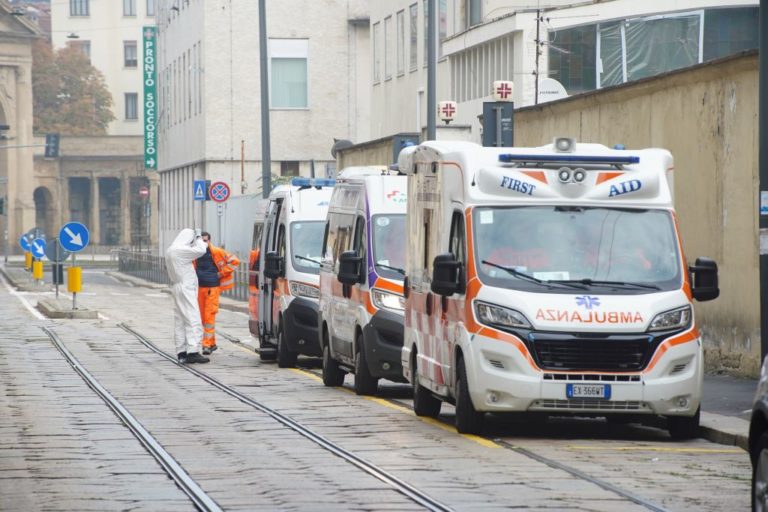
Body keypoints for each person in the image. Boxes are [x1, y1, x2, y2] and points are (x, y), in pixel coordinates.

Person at [165, 228, 209, 364]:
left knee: (180, 320)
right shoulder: (180, 250)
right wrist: (198, 237)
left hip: (177, 286)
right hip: (186, 288)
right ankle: (193, 351)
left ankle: (181, 351)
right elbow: (201, 250)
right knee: (193, 318)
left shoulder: (170, 250)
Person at [195, 232, 241, 355]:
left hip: (212, 288)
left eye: (206, 241)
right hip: (200, 288)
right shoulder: (195, 254)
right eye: (201, 241)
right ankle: (212, 343)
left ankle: (206, 345)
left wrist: (221, 273)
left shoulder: (217, 252)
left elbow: (235, 261)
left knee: (209, 316)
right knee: (203, 318)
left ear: (210, 241)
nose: (204, 243)